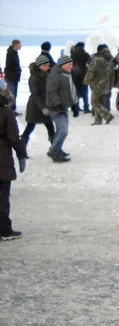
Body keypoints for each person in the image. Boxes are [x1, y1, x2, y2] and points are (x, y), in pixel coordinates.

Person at [0, 87, 27, 241]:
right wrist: (21, 155)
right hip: (2, 160)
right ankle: (4, 230)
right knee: (2, 197)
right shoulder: (7, 113)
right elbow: (14, 138)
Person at [46, 55, 78, 163]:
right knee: (63, 131)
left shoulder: (66, 75)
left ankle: (58, 150)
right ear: (62, 65)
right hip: (55, 108)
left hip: (63, 107)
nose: (71, 67)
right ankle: (53, 152)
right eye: (69, 64)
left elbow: (69, 91)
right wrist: (57, 104)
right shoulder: (55, 76)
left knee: (62, 131)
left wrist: (74, 105)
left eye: (72, 64)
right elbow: (51, 91)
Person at [21, 55, 55, 146]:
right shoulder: (34, 78)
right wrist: (43, 108)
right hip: (35, 107)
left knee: (50, 127)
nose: (47, 67)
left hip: (45, 105)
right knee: (30, 127)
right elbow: (35, 95)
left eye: (48, 65)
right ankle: (22, 150)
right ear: (39, 66)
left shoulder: (47, 74)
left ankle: (55, 149)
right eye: (45, 66)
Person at [84, 45, 115, 126]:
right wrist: (110, 85)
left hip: (96, 85)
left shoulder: (96, 59)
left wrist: (86, 81)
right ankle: (98, 120)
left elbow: (91, 71)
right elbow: (113, 74)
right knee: (99, 102)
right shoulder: (110, 60)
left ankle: (107, 116)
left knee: (94, 102)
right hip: (106, 85)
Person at [71, 42, 91, 113]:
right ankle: (86, 107)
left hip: (75, 75)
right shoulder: (86, 54)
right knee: (85, 93)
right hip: (84, 75)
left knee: (76, 92)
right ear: (83, 46)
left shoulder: (72, 55)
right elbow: (90, 63)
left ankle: (76, 107)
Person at [4, 40, 22, 113]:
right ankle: (10, 110)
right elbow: (9, 65)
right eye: (20, 45)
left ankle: (13, 109)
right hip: (11, 77)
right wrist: (16, 71)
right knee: (11, 94)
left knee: (14, 94)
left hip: (14, 77)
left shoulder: (14, 53)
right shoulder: (10, 53)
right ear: (16, 45)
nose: (21, 46)